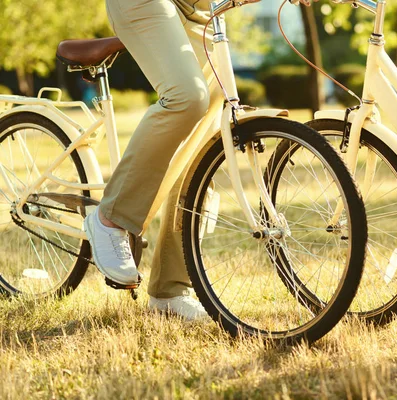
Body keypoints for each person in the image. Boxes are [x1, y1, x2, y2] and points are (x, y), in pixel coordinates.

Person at [84, 0, 315, 320]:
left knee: (203, 131)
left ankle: (170, 288)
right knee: (187, 96)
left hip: (200, 6)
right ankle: (110, 218)